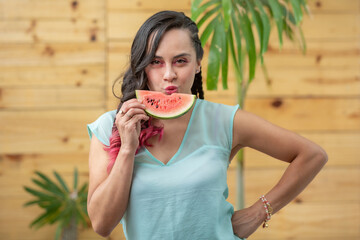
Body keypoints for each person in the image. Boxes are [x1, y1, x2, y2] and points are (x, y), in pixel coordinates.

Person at [86, 10, 327, 240]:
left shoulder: (223, 120)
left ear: (198, 64)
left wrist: (258, 213)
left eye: (180, 61)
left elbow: (312, 155)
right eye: (156, 62)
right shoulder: (111, 126)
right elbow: (102, 224)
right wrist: (127, 149)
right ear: (142, 65)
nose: (169, 74)